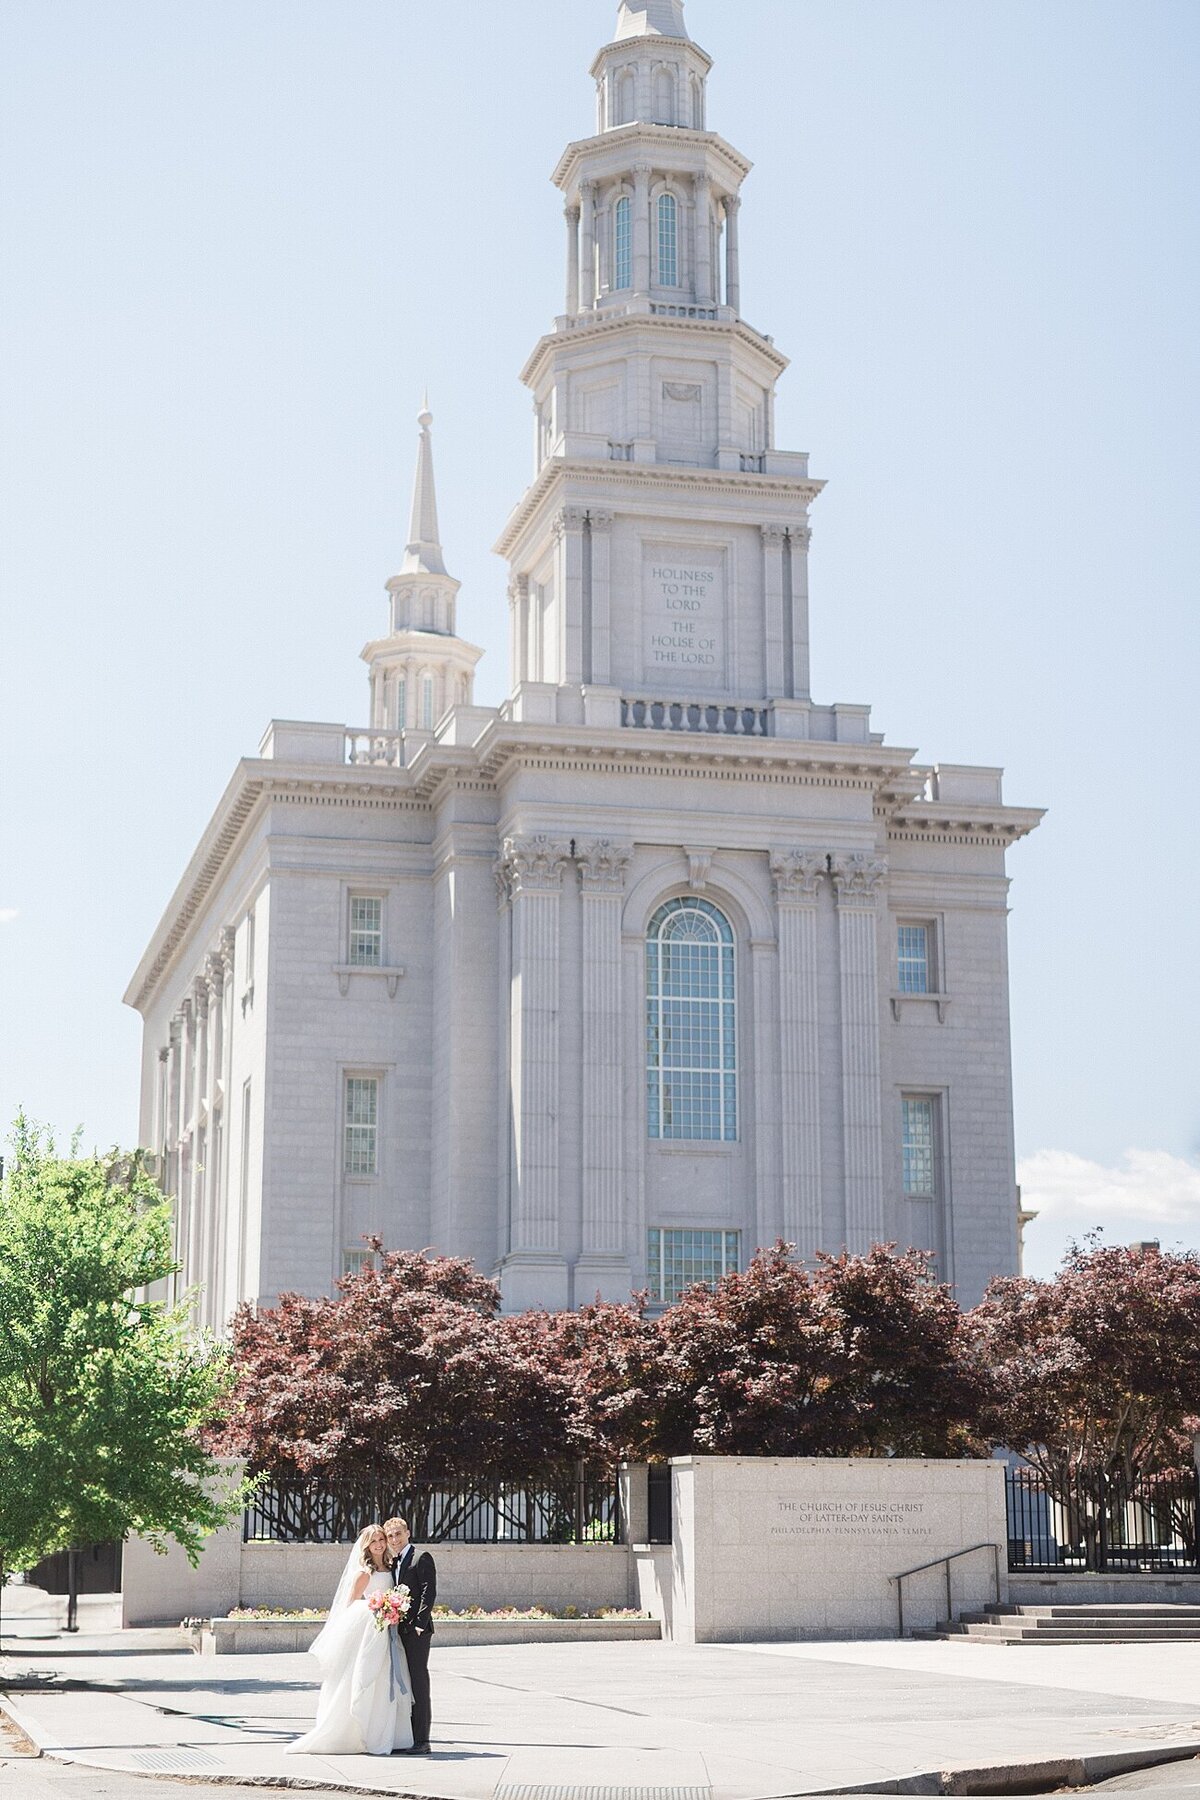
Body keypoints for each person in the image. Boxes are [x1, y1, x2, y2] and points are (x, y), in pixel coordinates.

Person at [287, 1522, 414, 1757]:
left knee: (385, 1680)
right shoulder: (365, 1573)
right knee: (367, 1678)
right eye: (373, 1541)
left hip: (387, 1631)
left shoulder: (391, 1567)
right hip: (370, 1631)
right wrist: (377, 1607)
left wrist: (392, 1609)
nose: (379, 1544)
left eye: (381, 1539)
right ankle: (360, 1734)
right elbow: (351, 1604)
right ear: (367, 1546)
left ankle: (387, 1735)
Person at [385, 1515, 436, 1754]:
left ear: (407, 1534)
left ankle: (422, 1740)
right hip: (398, 1630)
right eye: (390, 1536)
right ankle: (406, 1737)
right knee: (402, 1681)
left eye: (398, 1534)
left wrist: (419, 1624)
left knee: (418, 1682)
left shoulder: (421, 1557)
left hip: (417, 1632)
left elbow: (428, 1591)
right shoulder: (392, 1561)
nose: (394, 1539)